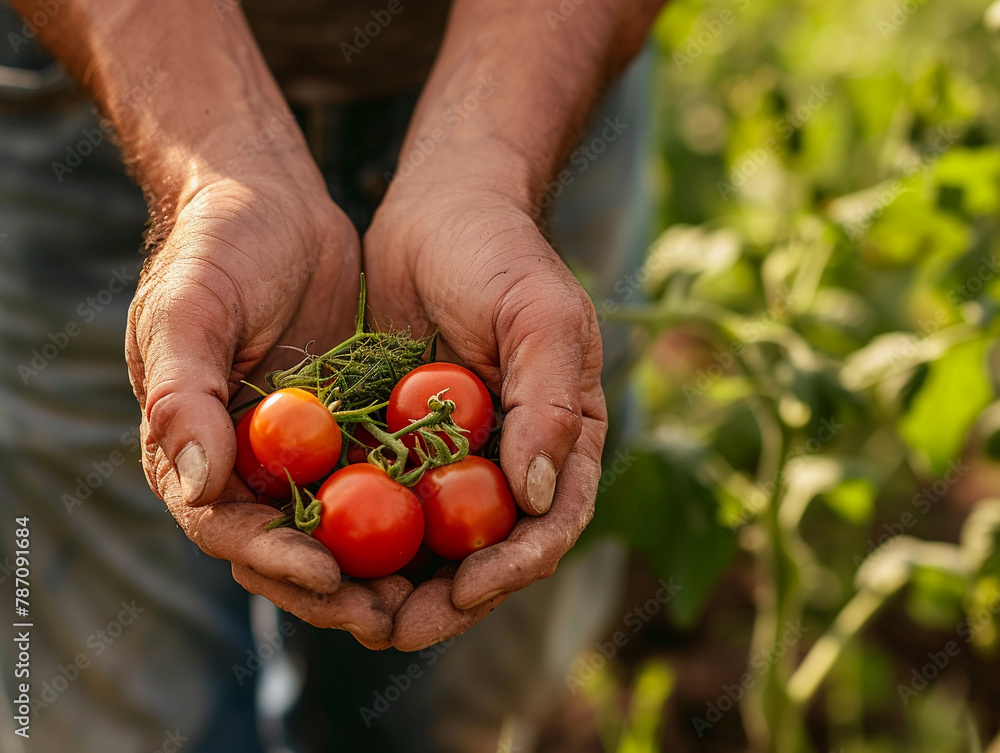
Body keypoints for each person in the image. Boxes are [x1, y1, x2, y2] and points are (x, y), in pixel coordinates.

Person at [0, 1, 663, 750]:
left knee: (456, 717)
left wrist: (488, 164)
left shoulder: (368, 425)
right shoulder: (426, 422)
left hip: (537, 76)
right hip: (98, 90)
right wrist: (214, 164)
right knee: (130, 722)